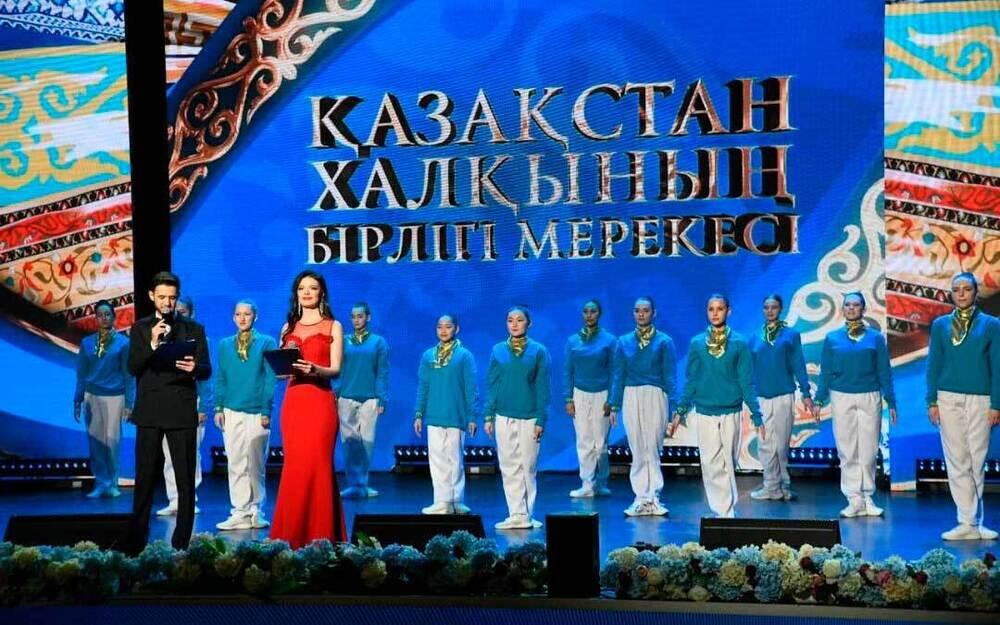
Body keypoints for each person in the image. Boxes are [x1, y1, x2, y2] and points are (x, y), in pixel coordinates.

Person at [126, 271, 210, 551]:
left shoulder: (194, 329)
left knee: (185, 481)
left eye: (172, 298)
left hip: (180, 409)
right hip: (150, 411)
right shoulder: (140, 328)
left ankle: (180, 544)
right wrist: (152, 343)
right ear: (152, 296)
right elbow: (133, 367)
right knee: (145, 478)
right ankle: (137, 541)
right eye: (162, 297)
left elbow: (206, 369)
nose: (167, 302)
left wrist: (194, 368)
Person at [270, 270, 347, 548]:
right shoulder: (287, 328)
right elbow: (282, 373)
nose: (306, 292)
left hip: (320, 401)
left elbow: (336, 369)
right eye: (302, 288)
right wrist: (281, 367)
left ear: (321, 292)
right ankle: (290, 537)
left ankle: (322, 537)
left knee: (319, 466)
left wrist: (314, 369)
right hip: (294, 403)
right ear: (296, 293)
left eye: (312, 288)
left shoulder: (333, 326)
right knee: (295, 468)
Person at [671, 294, 763, 519]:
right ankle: (722, 511)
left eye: (719, 308)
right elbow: (691, 380)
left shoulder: (739, 343)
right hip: (705, 411)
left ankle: (727, 509)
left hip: (731, 410)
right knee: (710, 462)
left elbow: (746, 381)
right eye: (711, 309)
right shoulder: (697, 343)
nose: (715, 313)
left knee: (728, 462)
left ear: (728, 311)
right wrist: (680, 411)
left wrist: (756, 414)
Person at [926, 273, 1000, 540]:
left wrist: (997, 404)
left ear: (975, 292)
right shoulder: (940, 325)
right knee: (956, 459)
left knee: (976, 459)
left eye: (966, 289)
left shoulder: (991, 324)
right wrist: (931, 400)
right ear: (951, 293)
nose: (961, 294)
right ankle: (966, 522)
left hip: (981, 399)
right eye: (956, 289)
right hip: (948, 398)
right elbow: (934, 363)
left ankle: (976, 522)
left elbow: (997, 366)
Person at [813, 292, 896, 518]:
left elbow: (884, 370)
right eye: (847, 305)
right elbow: (826, 371)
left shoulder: (875, 338)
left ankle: (867, 496)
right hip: (841, 396)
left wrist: (891, 399)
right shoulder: (832, 338)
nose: (851, 308)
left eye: (856, 305)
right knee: (847, 450)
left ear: (863, 309)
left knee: (868, 450)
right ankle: (853, 499)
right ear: (843, 309)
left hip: (870, 395)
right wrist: (819, 399)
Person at [484, 305, 551, 530]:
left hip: (530, 416)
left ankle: (526, 514)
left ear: (529, 323)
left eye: (519, 320)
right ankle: (516, 513)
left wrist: (541, 419)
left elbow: (543, 388)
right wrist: (488, 415)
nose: (514, 324)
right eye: (510, 320)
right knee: (509, 465)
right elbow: (492, 384)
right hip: (504, 415)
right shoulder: (498, 350)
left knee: (528, 466)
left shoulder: (538, 351)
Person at [213, 300, 278, 531]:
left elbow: (270, 379)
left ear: (255, 317)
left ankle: (256, 510)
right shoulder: (224, 345)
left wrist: (266, 410)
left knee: (256, 464)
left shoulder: (267, 342)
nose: (242, 318)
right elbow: (221, 377)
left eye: (247, 314)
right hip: (231, 410)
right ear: (233, 317)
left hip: (256, 411)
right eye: (238, 314)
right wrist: (218, 407)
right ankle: (240, 511)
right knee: (236, 462)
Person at [609, 296, 676, 517]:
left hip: (656, 394)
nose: (641, 314)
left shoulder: (664, 341)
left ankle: (654, 497)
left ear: (653, 313)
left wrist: (675, 407)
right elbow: (618, 375)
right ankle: (640, 497)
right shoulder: (623, 342)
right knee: (637, 447)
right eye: (637, 310)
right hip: (631, 394)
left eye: (646, 310)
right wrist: (614, 405)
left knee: (652, 447)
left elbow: (670, 376)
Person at [748, 294, 815, 501]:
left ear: (781, 309)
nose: (770, 311)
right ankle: (770, 485)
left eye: (774, 307)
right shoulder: (754, 337)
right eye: (766, 307)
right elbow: (749, 370)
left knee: (781, 443)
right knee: (765, 442)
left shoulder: (791, 335)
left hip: (784, 395)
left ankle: (783, 485)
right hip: (761, 397)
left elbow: (798, 364)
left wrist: (806, 392)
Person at [414, 314, 478, 515]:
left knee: (455, 460)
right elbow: (423, 386)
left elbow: (471, 388)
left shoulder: (464, 356)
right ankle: (442, 501)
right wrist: (419, 413)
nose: (443, 330)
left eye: (448, 326)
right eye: (439, 327)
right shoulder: (428, 356)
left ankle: (456, 500)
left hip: (456, 415)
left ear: (456, 329)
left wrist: (472, 416)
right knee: (437, 460)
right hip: (434, 415)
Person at [157, 295, 212, 516]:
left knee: (190, 453)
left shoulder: (199, 338)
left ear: (191, 313)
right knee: (169, 453)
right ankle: (174, 500)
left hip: (192, 401)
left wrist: (203, 407)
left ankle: (189, 499)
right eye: (175, 312)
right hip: (168, 402)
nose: (178, 316)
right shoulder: (163, 337)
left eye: (183, 312)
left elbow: (205, 378)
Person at [74, 299, 134, 498]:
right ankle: (101, 483)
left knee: (112, 441)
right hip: (92, 396)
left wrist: (129, 403)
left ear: (114, 317)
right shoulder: (87, 343)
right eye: (100, 315)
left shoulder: (123, 343)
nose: (104, 318)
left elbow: (128, 375)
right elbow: (81, 373)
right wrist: (77, 399)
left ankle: (112, 483)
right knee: (96, 442)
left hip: (115, 397)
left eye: (107, 314)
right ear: (95, 318)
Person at [563, 299, 617, 498]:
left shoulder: (609, 340)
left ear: (599, 314)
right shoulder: (573, 341)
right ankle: (587, 483)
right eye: (585, 311)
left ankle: (601, 482)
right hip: (580, 394)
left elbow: (615, 371)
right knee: (584, 440)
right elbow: (568, 371)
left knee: (600, 443)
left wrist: (611, 399)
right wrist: (568, 399)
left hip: (602, 394)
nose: (589, 315)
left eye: (593, 311)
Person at [337, 302, 389, 499]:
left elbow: (382, 372)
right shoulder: (343, 341)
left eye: (360, 316)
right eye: (353, 316)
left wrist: (381, 399)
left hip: (370, 399)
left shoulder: (378, 342)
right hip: (346, 398)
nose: (356, 320)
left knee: (367, 442)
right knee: (350, 444)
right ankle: (353, 484)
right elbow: (338, 369)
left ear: (368, 317)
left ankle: (363, 484)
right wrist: (336, 393)